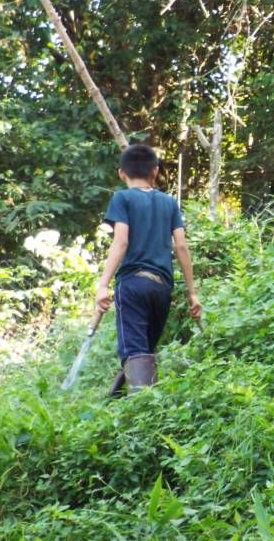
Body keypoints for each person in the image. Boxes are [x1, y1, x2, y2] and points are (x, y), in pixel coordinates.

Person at [94, 144, 201, 393]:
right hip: (161, 288)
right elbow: (181, 246)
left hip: (132, 284)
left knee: (135, 352)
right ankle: (123, 399)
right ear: (155, 171)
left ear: (122, 174)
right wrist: (192, 293)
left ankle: (141, 406)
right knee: (143, 352)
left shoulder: (122, 198)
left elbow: (121, 241)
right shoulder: (169, 203)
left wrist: (102, 285)